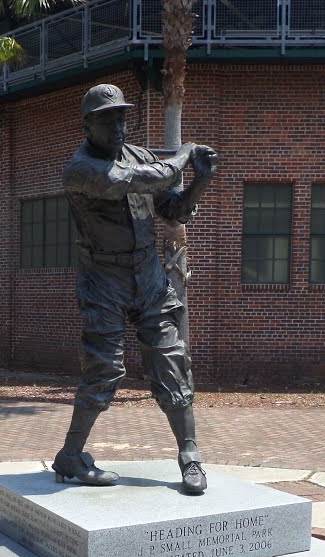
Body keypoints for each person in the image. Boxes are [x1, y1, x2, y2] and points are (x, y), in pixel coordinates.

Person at [52, 83, 219, 495]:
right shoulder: (81, 168)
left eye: (122, 117)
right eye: (108, 119)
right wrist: (184, 154)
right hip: (103, 280)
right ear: (87, 124)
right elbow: (139, 178)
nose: (118, 126)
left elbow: (173, 209)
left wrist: (200, 181)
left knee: (171, 361)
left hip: (148, 277)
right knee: (104, 369)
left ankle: (190, 456)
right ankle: (71, 457)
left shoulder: (140, 157)